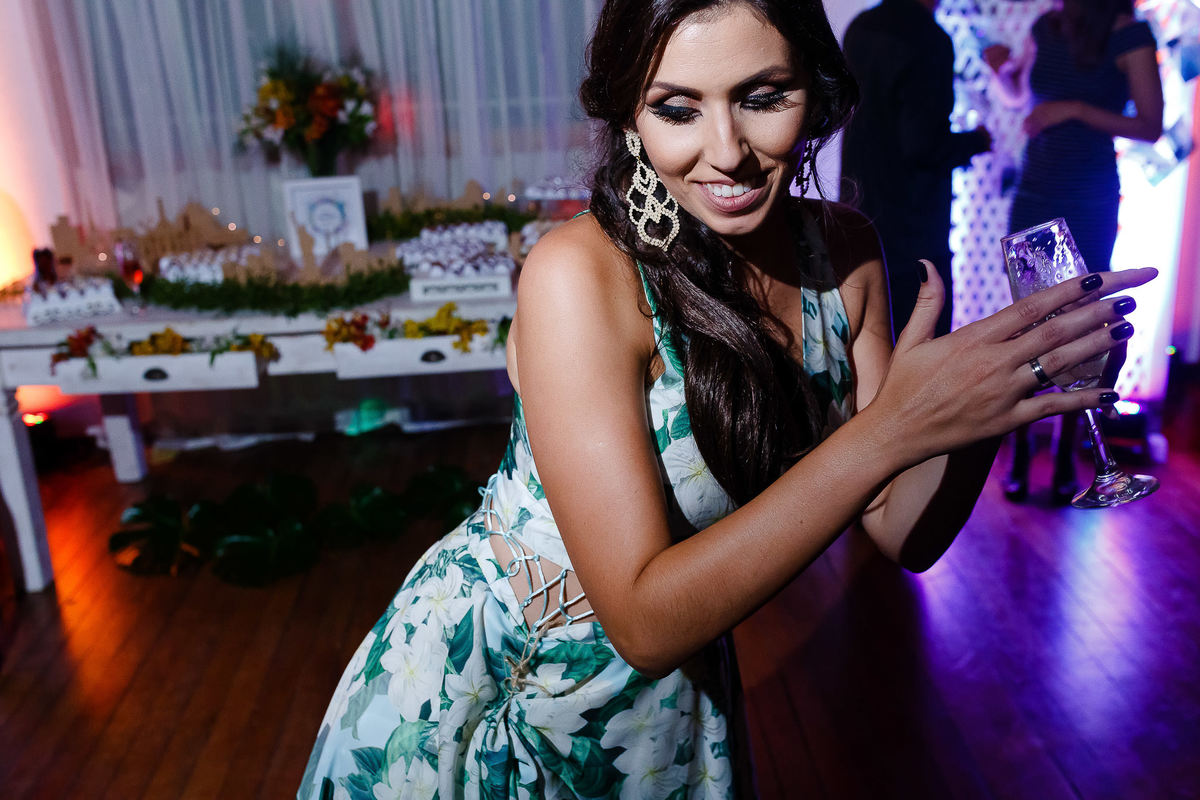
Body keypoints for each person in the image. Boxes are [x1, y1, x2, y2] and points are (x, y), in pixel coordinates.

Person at [298, 1, 1154, 796]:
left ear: (813, 95)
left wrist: (998, 396)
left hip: (673, 707)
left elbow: (902, 529)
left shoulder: (844, 251)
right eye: (677, 108)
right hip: (502, 684)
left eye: (762, 96)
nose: (728, 151)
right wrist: (896, 428)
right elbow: (642, 618)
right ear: (630, 113)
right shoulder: (580, 275)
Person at [983, 0, 1163, 503]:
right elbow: (1024, 100)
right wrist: (1002, 73)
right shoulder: (1048, 24)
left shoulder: (1130, 34)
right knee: (1030, 324)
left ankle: (1068, 459)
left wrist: (1077, 109)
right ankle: (1020, 455)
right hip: (1036, 191)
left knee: (1086, 329)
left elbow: (1151, 124)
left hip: (1088, 196)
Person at [839, 0, 992, 339]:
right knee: (920, 348)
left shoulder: (861, 26)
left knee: (866, 344)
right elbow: (922, 146)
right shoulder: (926, 37)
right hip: (911, 228)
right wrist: (976, 141)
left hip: (859, 212)